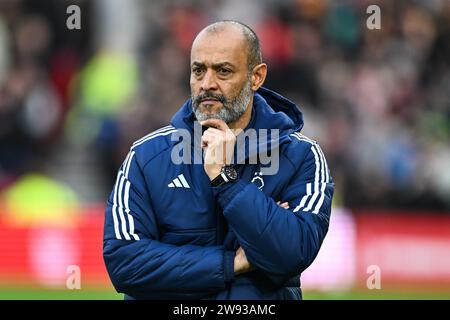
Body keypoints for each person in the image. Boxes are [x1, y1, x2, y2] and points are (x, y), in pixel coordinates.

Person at [103, 20, 334, 300]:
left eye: (223, 71)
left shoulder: (301, 156)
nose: (207, 84)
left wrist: (226, 178)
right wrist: (231, 263)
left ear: (256, 77)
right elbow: (125, 263)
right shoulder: (146, 156)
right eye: (198, 70)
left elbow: (291, 253)